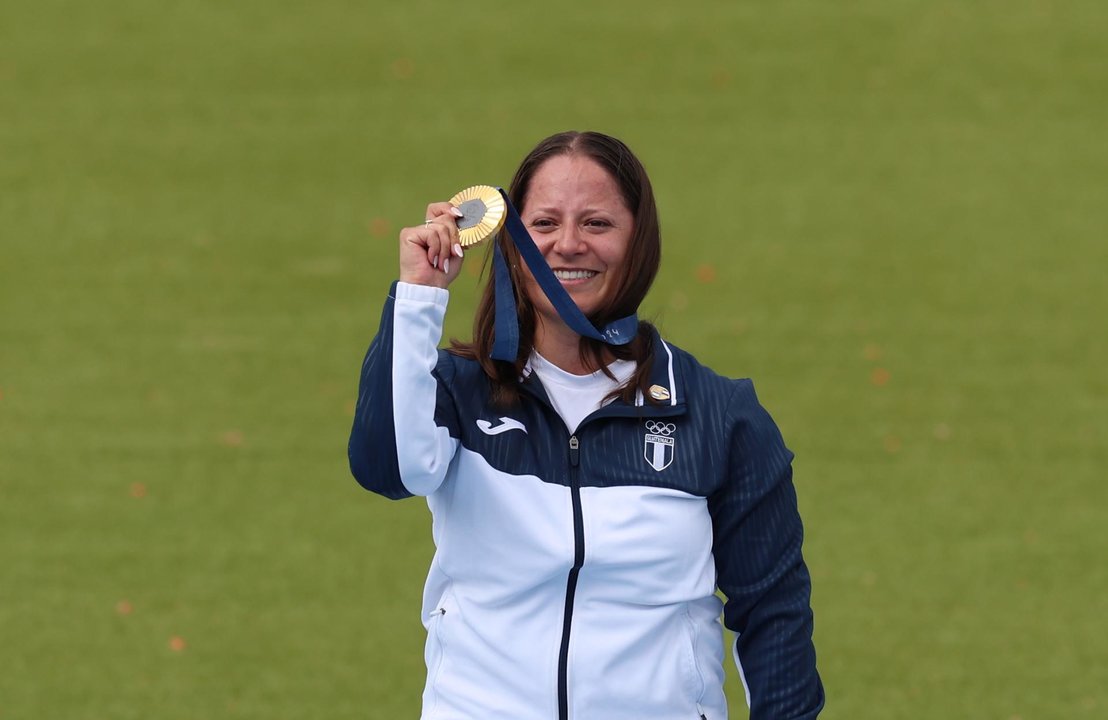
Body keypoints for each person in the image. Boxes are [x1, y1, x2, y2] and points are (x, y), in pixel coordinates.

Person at [348, 131, 824, 719]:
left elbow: (773, 616)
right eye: (543, 224)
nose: (568, 245)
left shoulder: (718, 415)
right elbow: (386, 469)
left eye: (597, 224)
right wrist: (419, 297)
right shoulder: (457, 391)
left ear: (639, 241)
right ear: (513, 244)